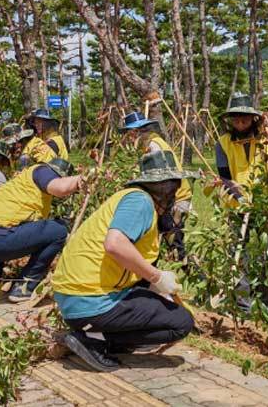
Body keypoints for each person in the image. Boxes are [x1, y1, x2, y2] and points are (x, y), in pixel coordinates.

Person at [53, 150, 196, 372]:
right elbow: (115, 244)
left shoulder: (129, 198)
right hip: (89, 302)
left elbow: (129, 262)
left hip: (73, 298)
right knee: (181, 323)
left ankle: (95, 333)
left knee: (158, 303)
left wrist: (156, 286)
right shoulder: (141, 202)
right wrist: (156, 276)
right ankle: (96, 339)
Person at [0, 158, 82, 302]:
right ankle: (25, 286)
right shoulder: (42, 172)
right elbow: (61, 188)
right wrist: (83, 179)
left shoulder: (21, 189)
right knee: (58, 230)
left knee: (6, 230)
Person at [213, 93, 268, 310]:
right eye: (236, 119)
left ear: (253, 119)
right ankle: (243, 303)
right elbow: (224, 175)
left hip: (265, 205)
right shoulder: (223, 143)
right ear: (230, 121)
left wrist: (261, 187)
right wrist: (241, 196)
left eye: (244, 118)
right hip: (237, 205)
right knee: (238, 254)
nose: (240, 123)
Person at [121, 111, 193, 262]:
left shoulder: (154, 145)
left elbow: (162, 177)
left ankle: (189, 269)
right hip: (166, 195)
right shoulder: (147, 143)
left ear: (135, 132)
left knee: (172, 235)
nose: (128, 137)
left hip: (174, 195)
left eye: (129, 133)